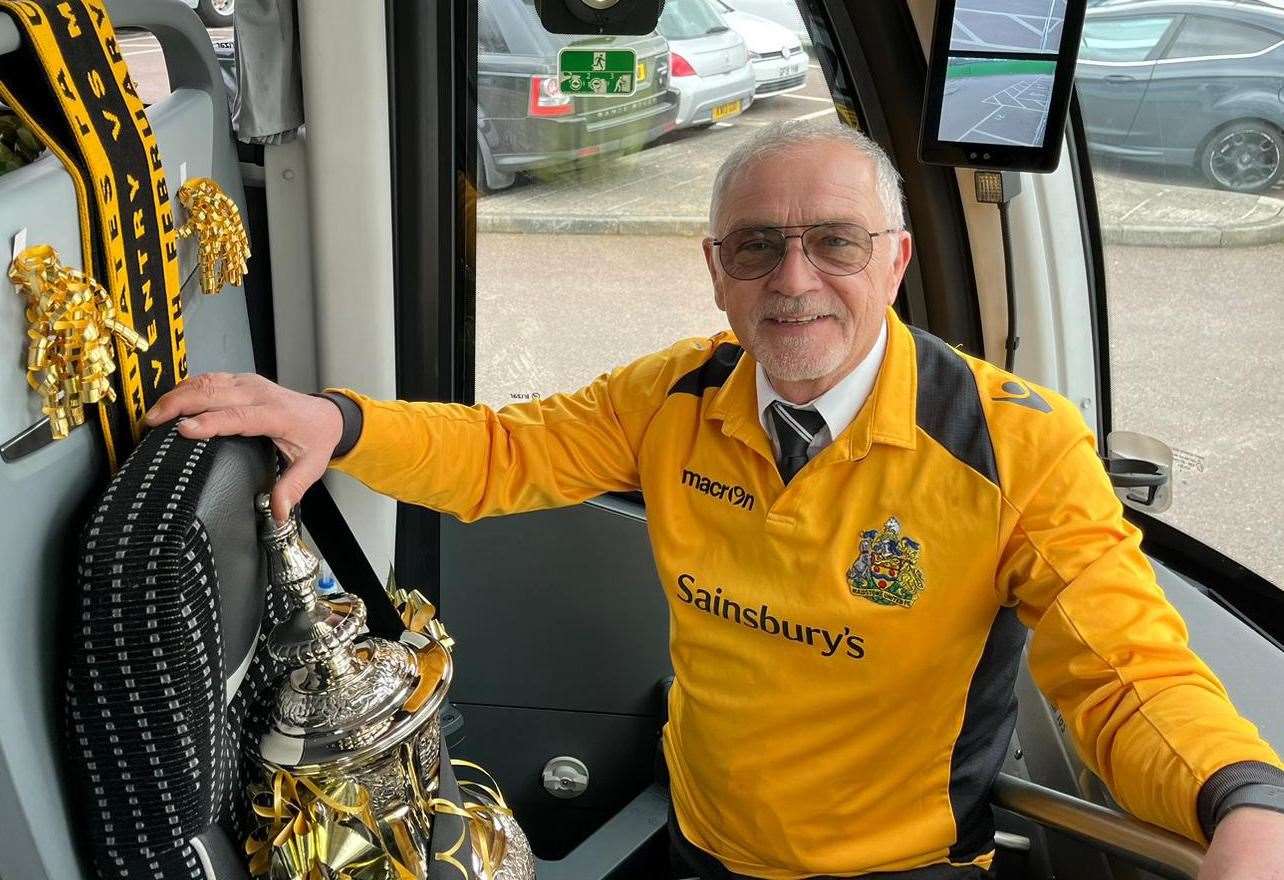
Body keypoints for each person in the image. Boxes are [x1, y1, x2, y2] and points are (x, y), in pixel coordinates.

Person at [146, 119, 1284, 880]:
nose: (794, 281)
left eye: (833, 243)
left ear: (891, 263)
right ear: (715, 268)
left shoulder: (1013, 446)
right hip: (703, 843)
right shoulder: (676, 396)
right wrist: (334, 422)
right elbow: (502, 451)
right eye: (757, 248)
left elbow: (1125, 672)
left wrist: (1241, 799)